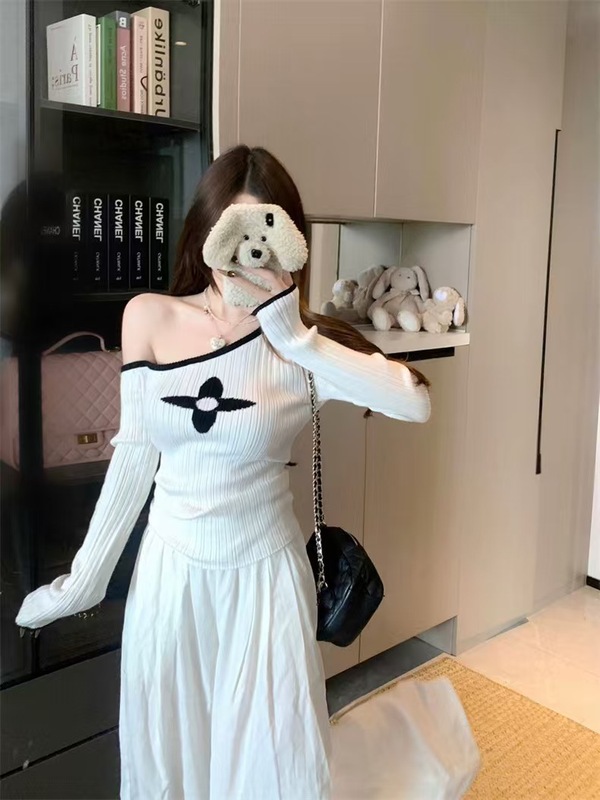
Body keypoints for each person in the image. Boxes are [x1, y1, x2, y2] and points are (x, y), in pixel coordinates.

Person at [16, 146, 431, 799]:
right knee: (169, 765)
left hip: (266, 584)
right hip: (170, 579)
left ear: (292, 242)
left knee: (273, 768)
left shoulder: (305, 346)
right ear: (205, 233)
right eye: (232, 233)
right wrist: (84, 581)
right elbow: (135, 454)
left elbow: (415, 402)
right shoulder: (150, 316)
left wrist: (293, 335)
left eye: (266, 233)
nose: (249, 254)